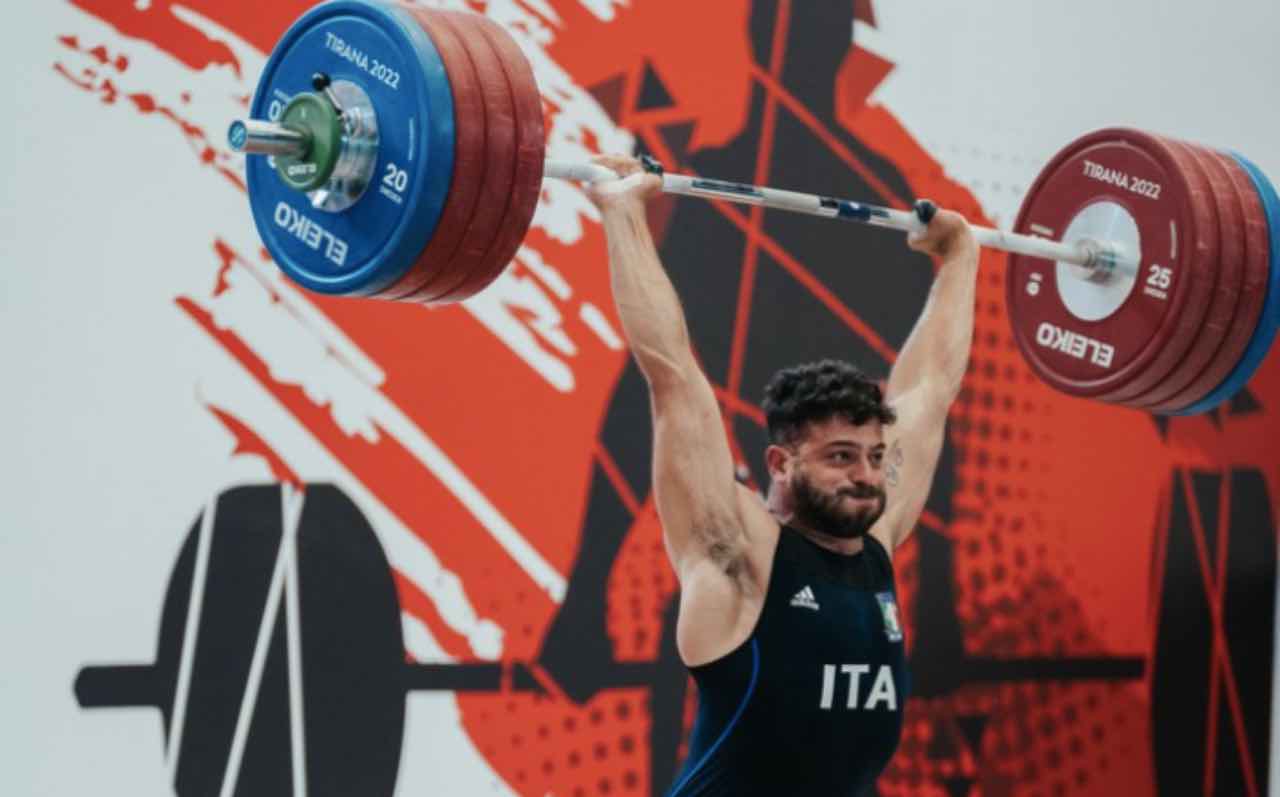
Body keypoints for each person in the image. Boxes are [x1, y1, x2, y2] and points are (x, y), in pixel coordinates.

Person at [586, 155, 979, 796]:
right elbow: (672, 376)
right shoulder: (740, 555)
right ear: (780, 463)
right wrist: (624, 212)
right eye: (840, 457)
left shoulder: (876, 543)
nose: (865, 475)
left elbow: (932, 388)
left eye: (873, 456)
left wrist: (959, 258)